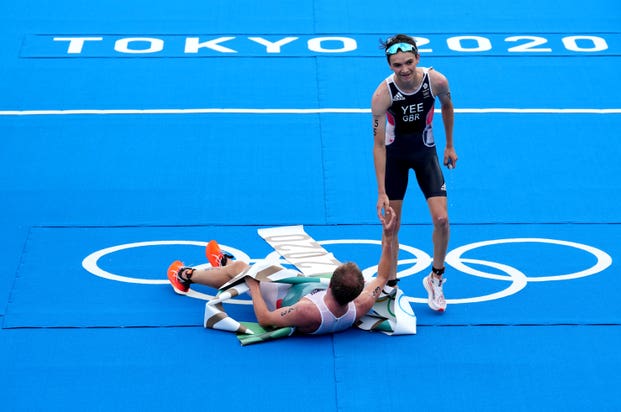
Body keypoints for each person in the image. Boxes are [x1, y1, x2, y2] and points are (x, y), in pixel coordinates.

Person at [167, 206, 399, 335]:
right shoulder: (361, 305)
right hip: (303, 289)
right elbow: (381, 275)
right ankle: (224, 264)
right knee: (242, 270)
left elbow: (265, 319)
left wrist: (254, 288)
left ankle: (185, 276)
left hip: (280, 299)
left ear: (329, 283)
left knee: (241, 271)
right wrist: (389, 236)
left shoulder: (306, 311)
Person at [371, 34, 458, 312]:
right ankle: (391, 286)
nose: (404, 69)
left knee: (442, 219)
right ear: (389, 65)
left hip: (425, 154)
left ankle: (436, 277)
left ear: (418, 58)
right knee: (391, 227)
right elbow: (379, 145)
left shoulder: (437, 81)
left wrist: (450, 145)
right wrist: (381, 192)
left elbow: (447, 106)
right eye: (397, 65)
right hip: (395, 159)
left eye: (408, 62)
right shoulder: (382, 95)